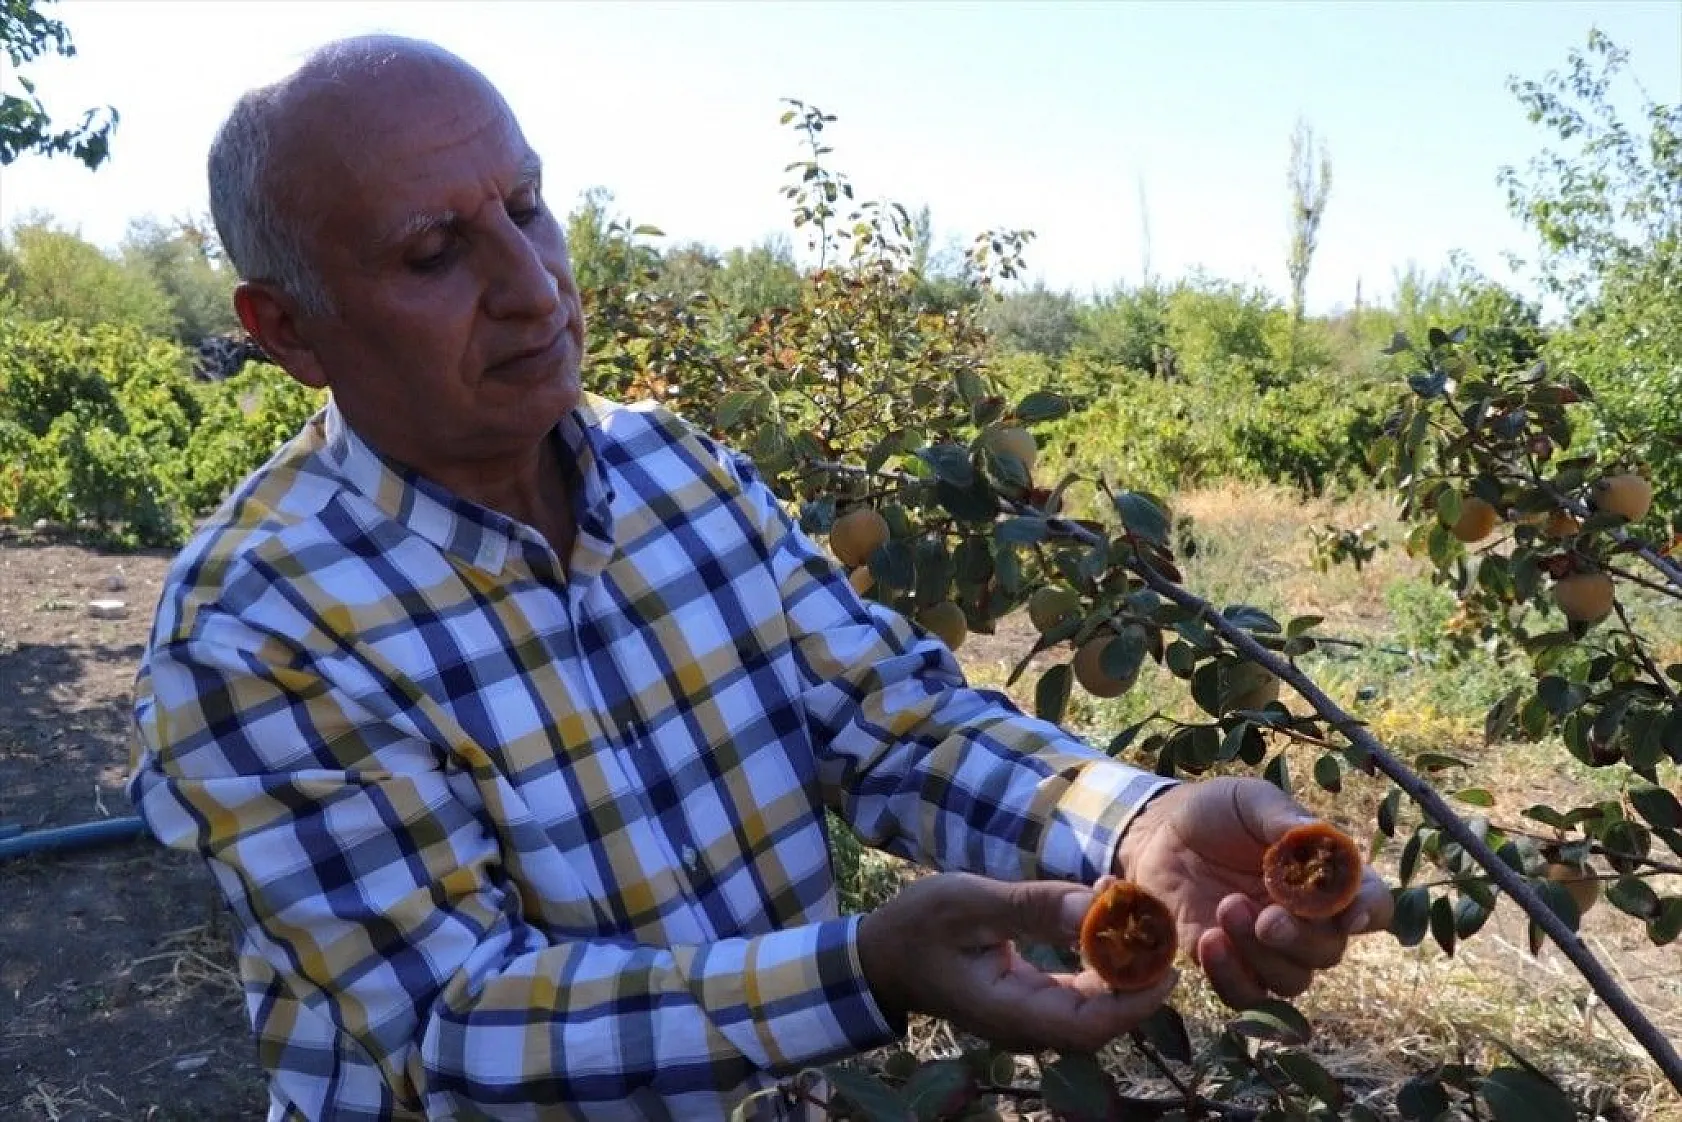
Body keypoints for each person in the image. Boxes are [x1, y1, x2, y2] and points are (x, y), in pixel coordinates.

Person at [127, 34, 1392, 1122]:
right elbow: (451, 1021)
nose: (533, 286)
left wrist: (1129, 820)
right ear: (286, 329)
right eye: (431, 253)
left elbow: (888, 722)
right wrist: (864, 972)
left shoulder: (670, 468)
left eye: (526, 206)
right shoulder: (257, 626)